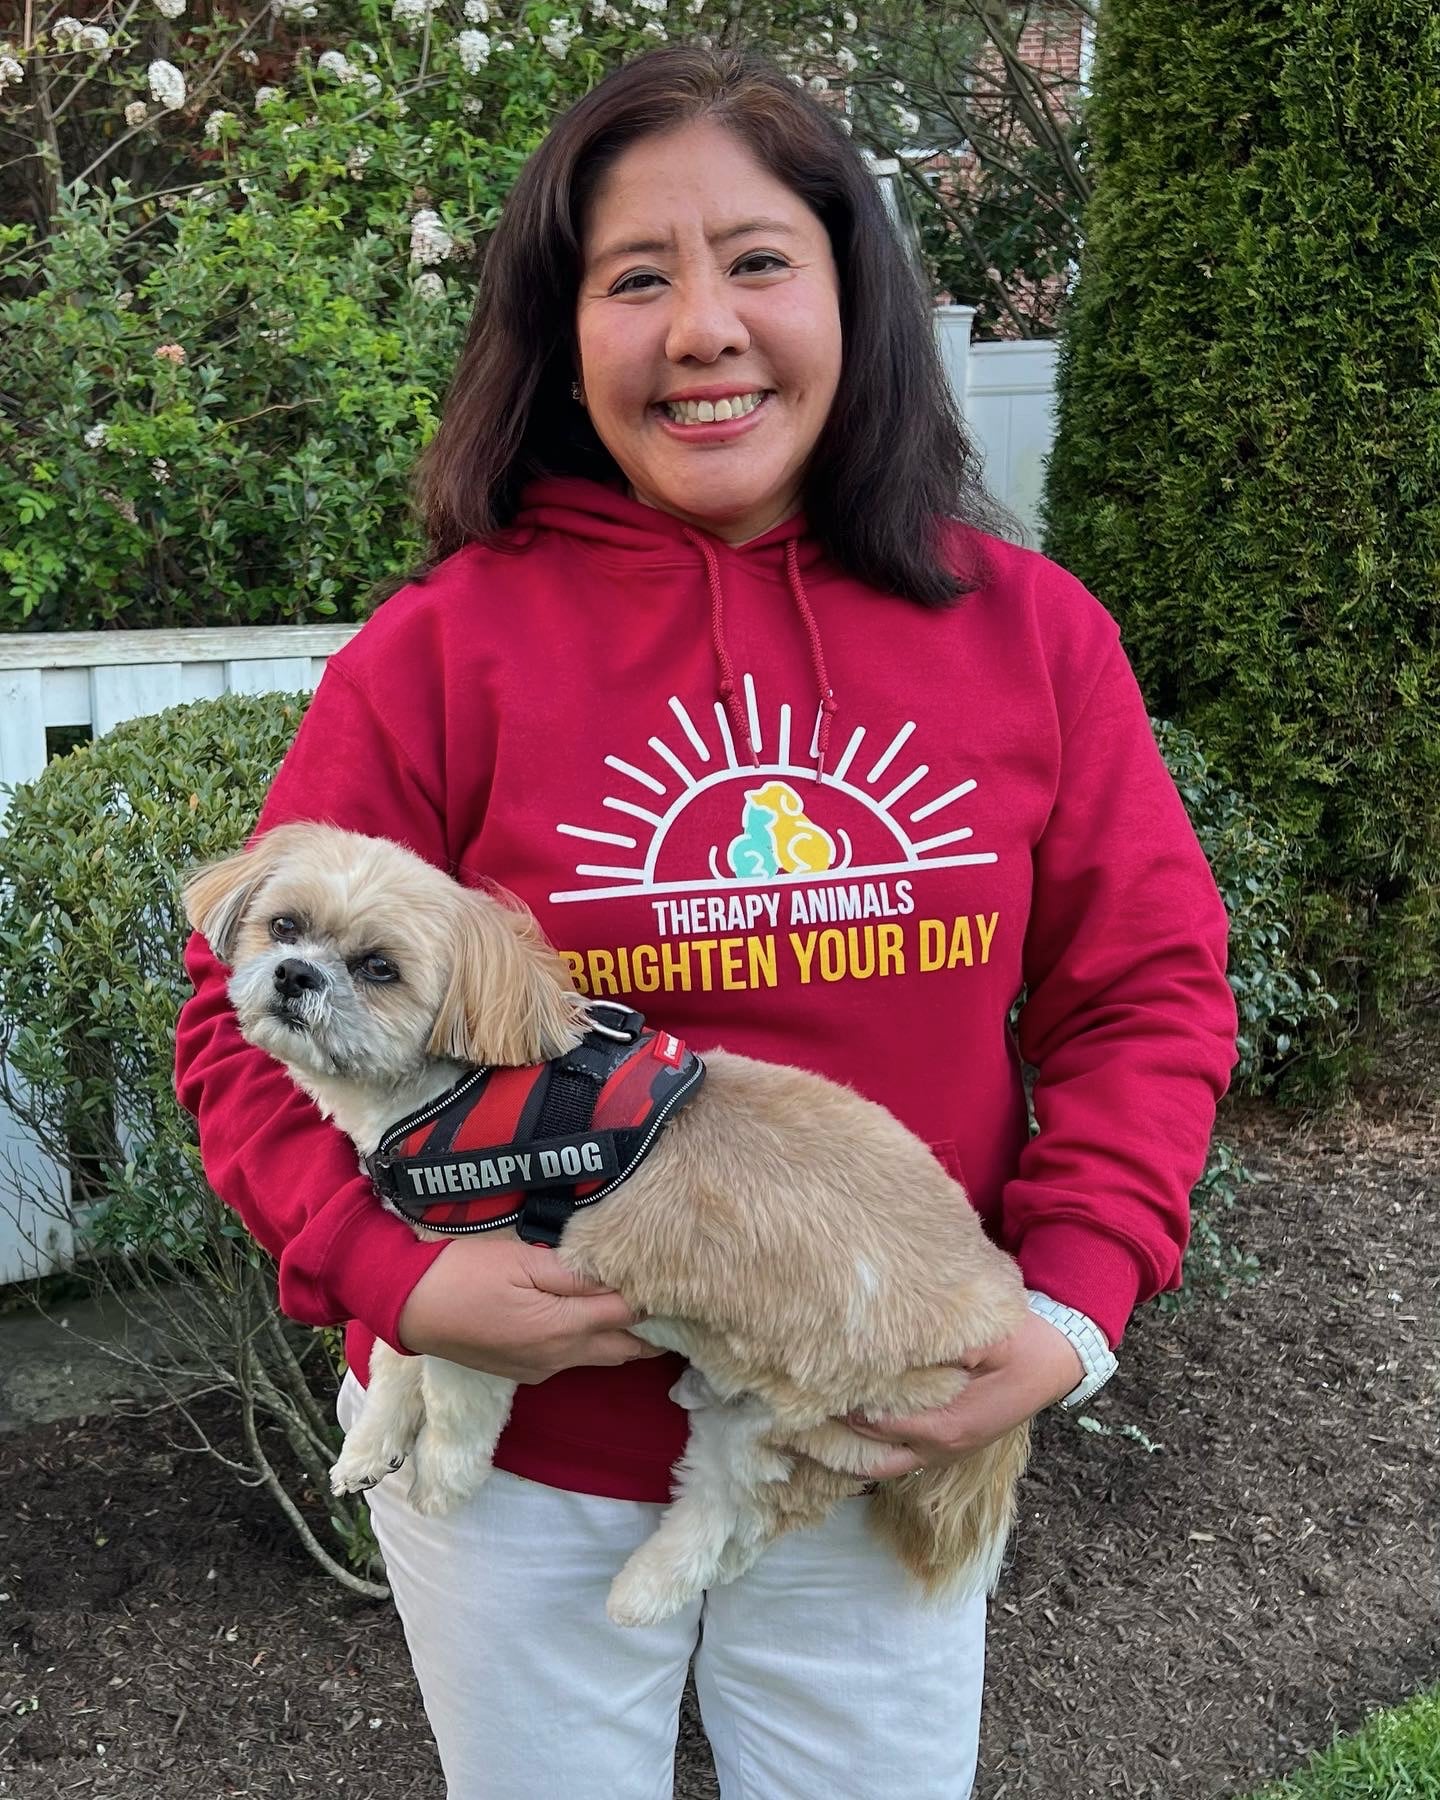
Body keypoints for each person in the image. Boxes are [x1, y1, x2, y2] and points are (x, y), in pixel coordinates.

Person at [174, 45, 1238, 1800]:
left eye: (757, 261)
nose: (703, 328)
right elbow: (238, 1014)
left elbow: (1145, 992)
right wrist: (397, 1277)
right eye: (636, 277)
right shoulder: (442, 652)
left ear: (851, 295)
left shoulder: (1030, 636)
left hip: (875, 1411)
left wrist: (1072, 1308)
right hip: (521, 1466)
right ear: (563, 329)